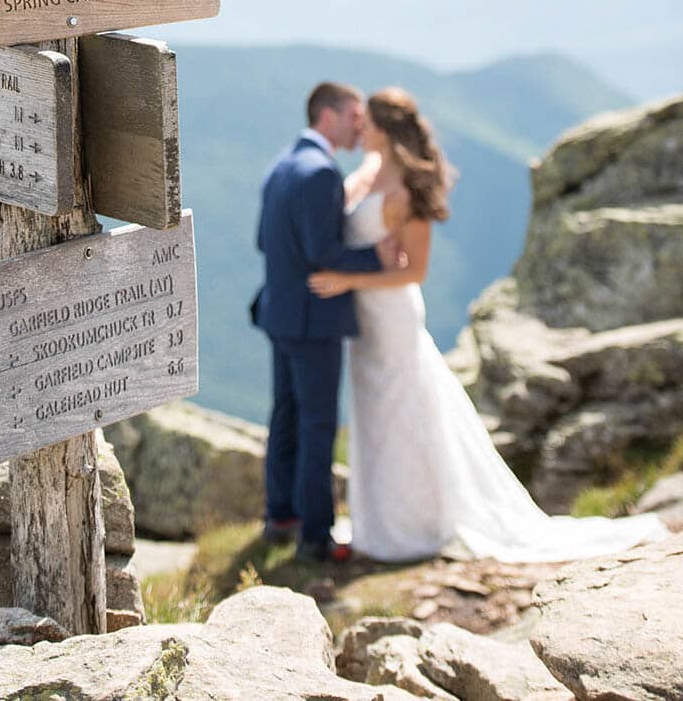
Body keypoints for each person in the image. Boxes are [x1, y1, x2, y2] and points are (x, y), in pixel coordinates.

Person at [307, 87, 669, 562]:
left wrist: (344, 276)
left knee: (402, 414)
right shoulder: (369, 173)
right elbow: (344, 212)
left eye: (368, 123)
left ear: (385, 131)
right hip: (364, 317)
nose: (360, 129)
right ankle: (381, 524)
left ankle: (415, 525)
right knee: (374, 415)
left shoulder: (406, 195)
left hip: (391, 314)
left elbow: (413, 271)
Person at [251, 82, 401, 563]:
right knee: (318, 426)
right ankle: (316, 537)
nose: (361, 125)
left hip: (280, 312)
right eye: (354, 116)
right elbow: (323, 254)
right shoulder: (320, 173)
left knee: (286, 416)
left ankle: (281, 516)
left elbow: (263, 240)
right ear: (328, 115)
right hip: (313, 319)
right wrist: (377, 258)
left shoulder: (281, 164)